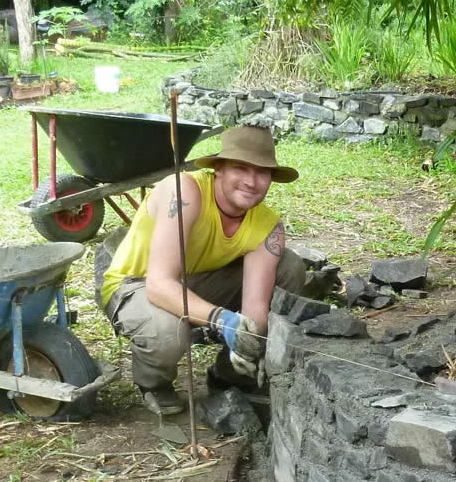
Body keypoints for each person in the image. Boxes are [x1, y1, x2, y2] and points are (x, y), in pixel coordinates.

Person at [98, 125, 307, 415]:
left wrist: (248, 343)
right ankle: (153, 383)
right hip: (139, 284)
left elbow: (255, 310)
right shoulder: (184, 191)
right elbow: (159, 285)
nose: (251, 181)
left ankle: (229, 375)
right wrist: (221, 320)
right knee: (167, 332)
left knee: (290, 266)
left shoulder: (268, 226)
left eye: (262, 172)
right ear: (218, 169)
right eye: (240, 168)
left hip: (197, 282)